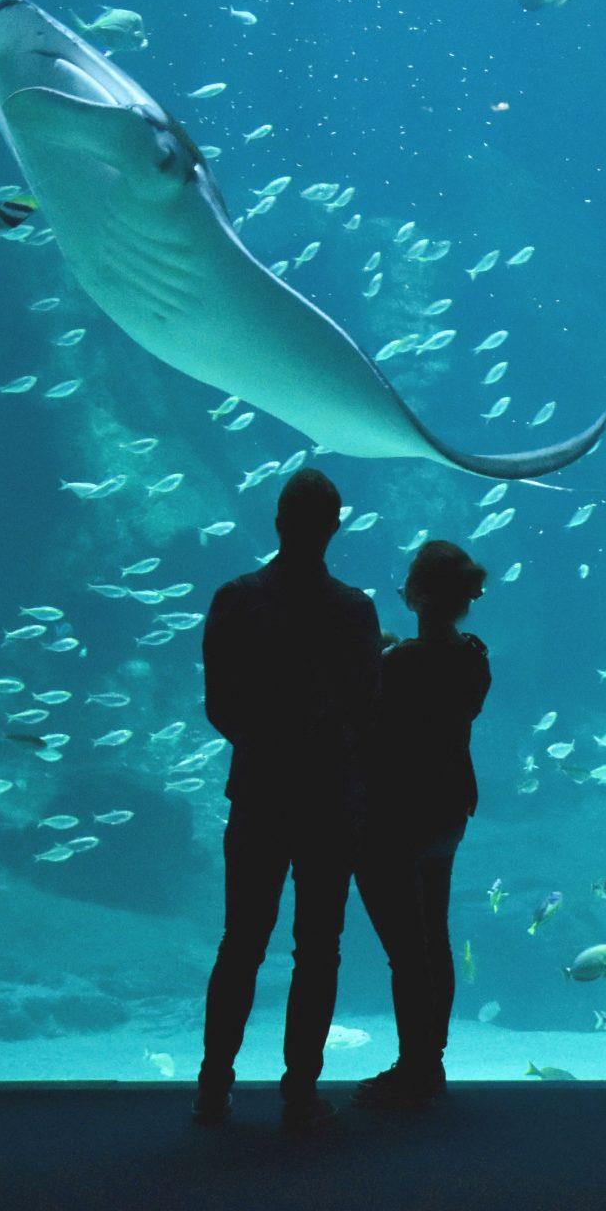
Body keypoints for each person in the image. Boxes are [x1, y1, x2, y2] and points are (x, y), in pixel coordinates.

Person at [192, 468, 381, 1133]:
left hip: (260, 790)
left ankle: (213, 1087)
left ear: (278, 522)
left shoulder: (236, 598)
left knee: (240, 941)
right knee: (318, 946)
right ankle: (299, 1091)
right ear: (334, 527)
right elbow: (366, 707)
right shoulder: (354, 610)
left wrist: (266, 743)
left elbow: (219, 704)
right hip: (329, 796)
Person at [351, 540, 492, 1112]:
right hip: (448, 811)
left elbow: (367, 715)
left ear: (419, 594)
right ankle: (429, 1060)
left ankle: (415, 1069)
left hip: (396, 817)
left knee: (407, 951)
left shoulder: (400, 664)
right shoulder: (475, 656)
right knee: (434, 935)